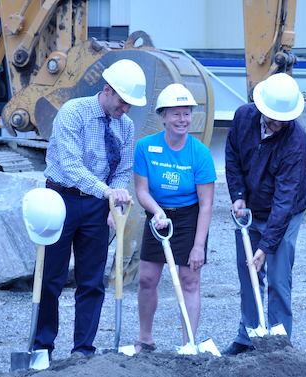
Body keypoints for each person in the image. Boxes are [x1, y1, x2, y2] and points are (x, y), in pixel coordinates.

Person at [35, 59, 147, 357]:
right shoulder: (74, 113)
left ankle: (83, 350)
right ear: (107, 90)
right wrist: (107, 191)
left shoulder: (126, 124)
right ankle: (42, 347)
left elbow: (124, 169)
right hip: (61, 198)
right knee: (50, 278)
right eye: (123, 103)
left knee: (92, 281)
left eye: (130, 106)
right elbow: (70, 166)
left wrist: (115, 203)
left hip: (99, 205)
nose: (125, 111)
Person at [223, 73, 306, 355]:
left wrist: (266, 246)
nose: (276, 124)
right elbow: (232, 157)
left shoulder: (297, 142)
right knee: (248, 273)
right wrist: (238, 197)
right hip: (248, 210)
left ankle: (279, 343)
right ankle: (248, 335)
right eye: (271, 118)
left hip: (284, 213)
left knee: (278, 276)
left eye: (282, 119)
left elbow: (284, 202)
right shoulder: (242, 118)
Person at [133, 84, 216, 352]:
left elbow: (206, 205)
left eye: (187, 114)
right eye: (176, 114)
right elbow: (142, 191)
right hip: (158, 216)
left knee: (189, 280)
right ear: (163, 116)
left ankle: (188, 344)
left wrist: (199, 246)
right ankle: (145, 339)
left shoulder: (200, 153)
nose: (183, 120)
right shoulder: (146, 147)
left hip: (190, 218)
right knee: (146, 279)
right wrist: (157, 213)